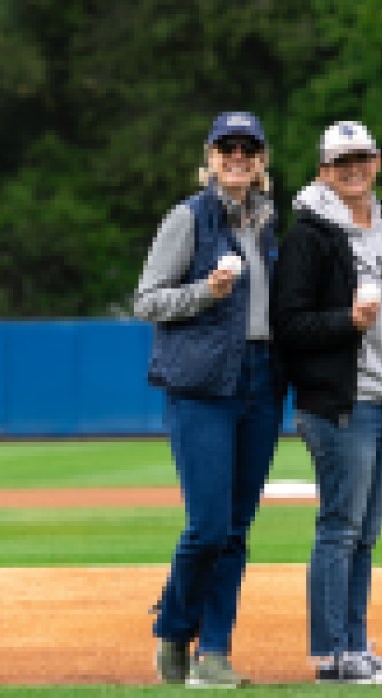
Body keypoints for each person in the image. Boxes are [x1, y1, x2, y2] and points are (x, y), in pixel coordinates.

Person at [135, 111, 283, 687]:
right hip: (202, 384)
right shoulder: (188, 217)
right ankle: (174, 629)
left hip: (261, 379)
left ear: (262, 159)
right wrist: (205, 292)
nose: (238, 156)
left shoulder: (266, 221)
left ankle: (214, 652)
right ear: (211, 156)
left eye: (248, 147)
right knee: (209, 527)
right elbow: (147, 299)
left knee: (237, 528)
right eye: (228, 147)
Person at [271, 121, 382, 685]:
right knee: (340, 528)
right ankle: (333, 654)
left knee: (365, 533)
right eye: (341, 161)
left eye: (361, 158)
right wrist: (347, 322)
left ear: (376, 162)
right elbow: (288, 324)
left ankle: (355, 644)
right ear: (324, 171)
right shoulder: (309, 236)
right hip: (340, 403)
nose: (353, 169)